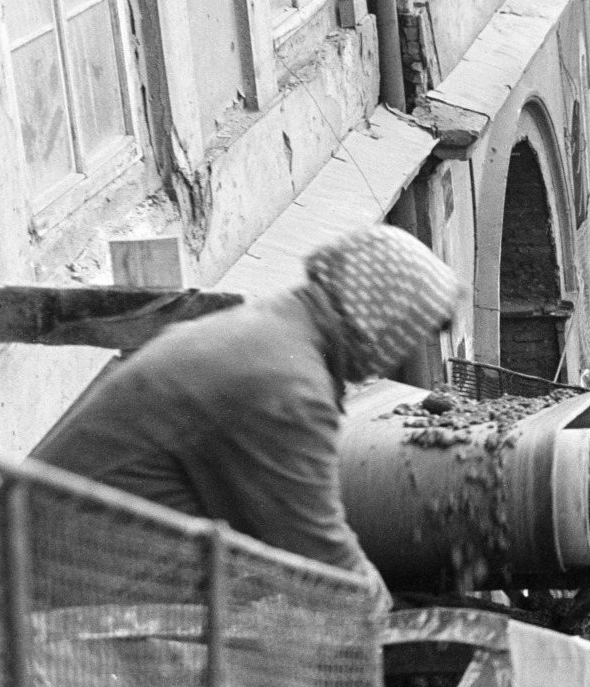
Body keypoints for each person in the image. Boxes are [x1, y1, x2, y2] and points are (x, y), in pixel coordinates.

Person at [28, 224, 463, 587]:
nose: (401, 352)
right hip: (49, 612)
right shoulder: (288, 387)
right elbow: (316, 557)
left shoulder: (267, 328)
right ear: (386, 320)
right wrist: (377, 607)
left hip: (45, 566)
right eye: (411, 334)